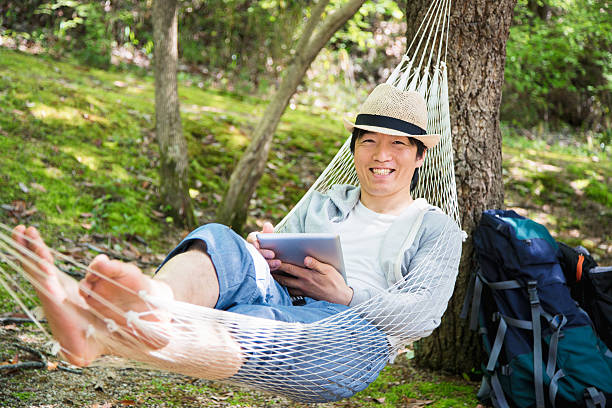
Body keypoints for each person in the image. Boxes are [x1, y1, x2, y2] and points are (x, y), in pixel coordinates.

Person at [12, 83, 462, 401]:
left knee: (252, 323)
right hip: (286, 294)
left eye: (398, 144)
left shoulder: (433, 228)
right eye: (369, 141)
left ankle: (104, 335)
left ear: (421, 154)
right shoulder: (326, 203)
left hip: (347, 337)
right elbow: (281, 254)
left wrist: (346, 295)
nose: (382, 156)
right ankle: (148, 302)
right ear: (354, 148)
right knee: (221, 241)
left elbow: (424, 314)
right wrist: (264, 249)